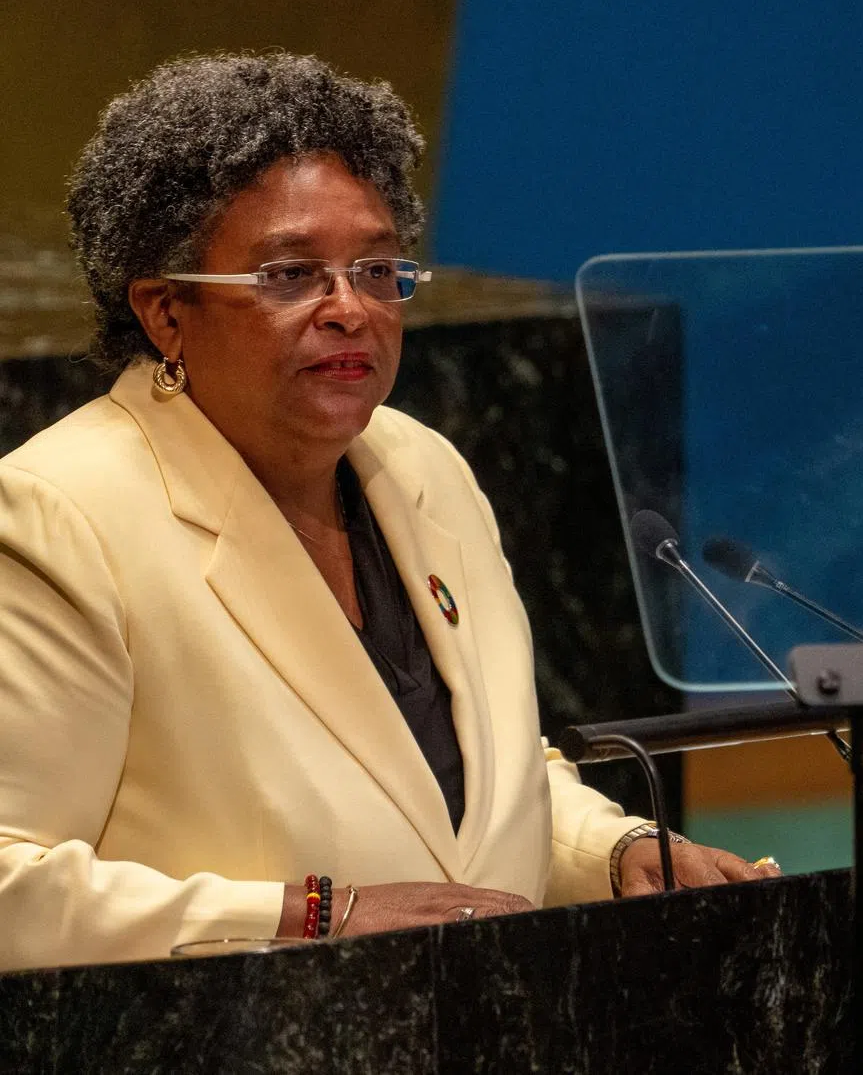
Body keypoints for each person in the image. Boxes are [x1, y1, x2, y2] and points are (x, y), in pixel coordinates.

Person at [0, 53, 776, 971]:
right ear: (167, 312)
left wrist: (612, 853)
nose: (351, 310)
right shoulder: (60, 516)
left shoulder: (424, 468)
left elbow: (459, 785)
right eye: (293, 275)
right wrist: (314, 915)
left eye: (376, 269)